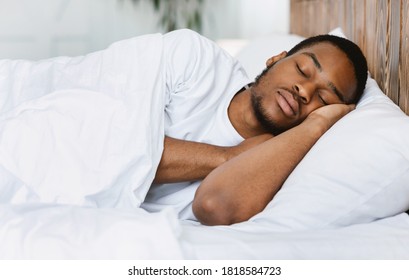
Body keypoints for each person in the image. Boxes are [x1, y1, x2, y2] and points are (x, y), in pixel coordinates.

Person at [141, 29, 368, 225]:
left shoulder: (284, 161)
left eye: (324, 99)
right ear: (275, 59)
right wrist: (229, 156)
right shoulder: (196, 61)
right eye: (302, 69)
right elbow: (118, 146)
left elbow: (214, 205)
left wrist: (316, 126)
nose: (304, 91)